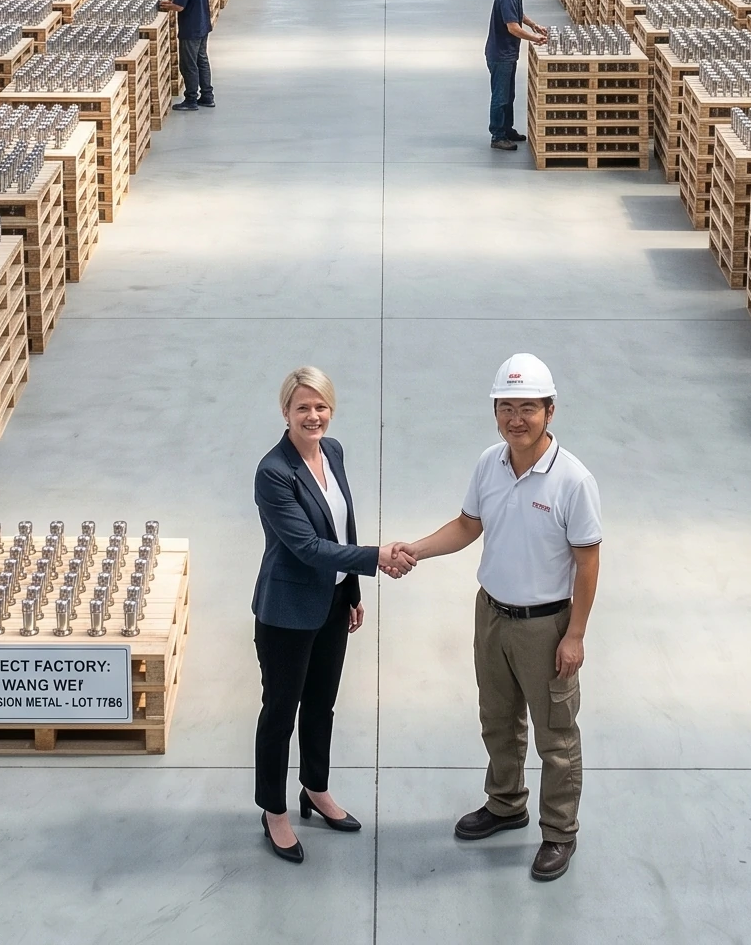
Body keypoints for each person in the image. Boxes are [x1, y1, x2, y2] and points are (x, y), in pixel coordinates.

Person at [383, 353, 602, 884]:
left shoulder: (573, 480)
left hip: (546, 625)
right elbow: (467, 525)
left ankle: (559, 832)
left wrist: (575, 634)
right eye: (506, 407)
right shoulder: (490, 464)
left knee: (555, 736)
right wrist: (415, 549)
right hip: (492, 615)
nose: (516, 419)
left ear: (550, 411)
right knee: (497, 719)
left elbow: (588, 561)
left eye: (528, 408)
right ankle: (506, 804)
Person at [251, 367, 384, 864]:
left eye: (320, 406)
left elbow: (342, 528)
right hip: (287, 611)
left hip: (331, 602)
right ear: (285, 411)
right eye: (302, 407)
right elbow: (307, 547)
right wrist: (376, 559)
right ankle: (274, 811)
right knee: (280, 713)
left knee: (321, 704)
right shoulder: (273, 472)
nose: (313, 416)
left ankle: (315, 787)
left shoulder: (333, 452)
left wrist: (350, 590)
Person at [486, 0, 548, 151]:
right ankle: (497, 136)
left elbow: (519, 15)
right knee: (500, 97)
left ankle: (507, 129)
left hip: (508, 53)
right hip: (500, 55)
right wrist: (535, 38)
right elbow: (513, 27)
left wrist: (533, 25)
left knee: (509, 95)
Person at [161, 0, 213, 110]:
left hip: (191, 29)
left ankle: (191, 100)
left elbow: (180, 7)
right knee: (202, 61)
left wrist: (167, 6)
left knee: (188, 64)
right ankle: (207, 96)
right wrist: (174, 0)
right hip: (203, 25)